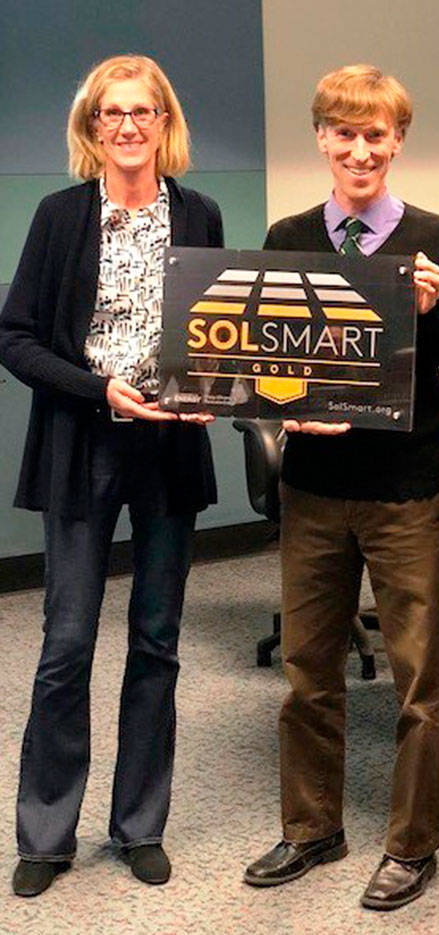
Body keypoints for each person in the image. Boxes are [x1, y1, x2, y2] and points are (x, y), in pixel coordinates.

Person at [244, 64, 439, 910]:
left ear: (397, 142)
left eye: (375, 134)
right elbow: (263, 366)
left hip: (409, 491)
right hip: (313, 489)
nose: (359, 148)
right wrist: (284, 413)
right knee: (310, 670)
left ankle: (411, 847)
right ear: (321, 139)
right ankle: (312, 828)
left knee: (422, 684)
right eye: (343, 133)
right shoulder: (286, 235)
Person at [0, 54, 223, 897]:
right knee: (65, 644)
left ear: (166, 123)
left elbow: (219, 333)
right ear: (91, 129)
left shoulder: (199, 213)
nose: (128, 127)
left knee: (158, 642)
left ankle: (140, 824)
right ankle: (48, 830)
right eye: (111, 114)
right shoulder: (60, 217)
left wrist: (213, 390)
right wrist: (100, 390)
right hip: (80, 443)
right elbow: (15, 337)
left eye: (143, 111)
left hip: (169, 451)